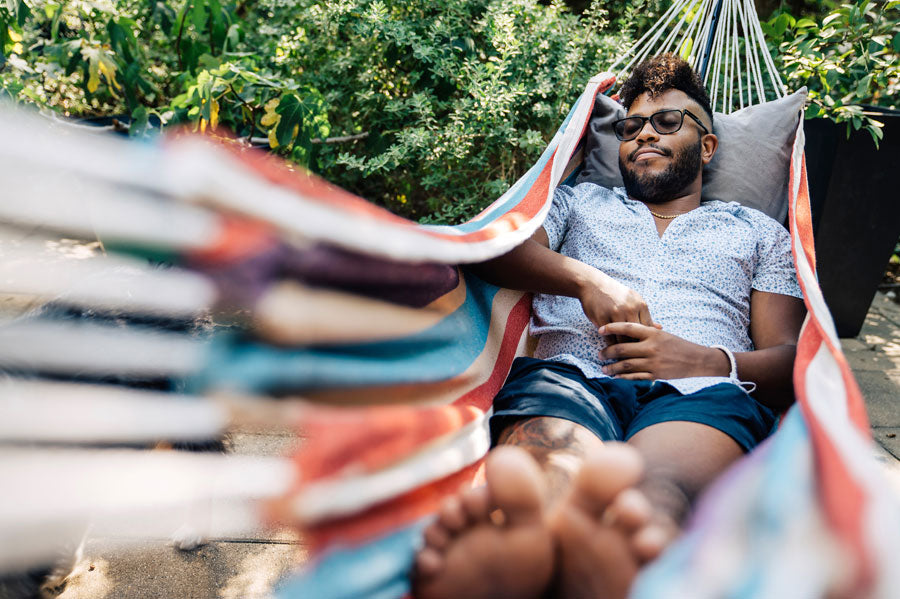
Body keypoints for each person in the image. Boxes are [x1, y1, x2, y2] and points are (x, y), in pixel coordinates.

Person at [411, 53, 807, 599]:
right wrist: (586, 282)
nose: (645, 134)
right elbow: (495, 250)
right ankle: (536, 542)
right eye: (630, 127)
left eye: (667, 122)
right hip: (569, 375)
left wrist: (706, 361)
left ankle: (606, 555)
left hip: (700, 393)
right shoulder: (580, 202)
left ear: (708, 146)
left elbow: (792, 359)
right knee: (553, 473)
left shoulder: (759, 233)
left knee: (657, 494)